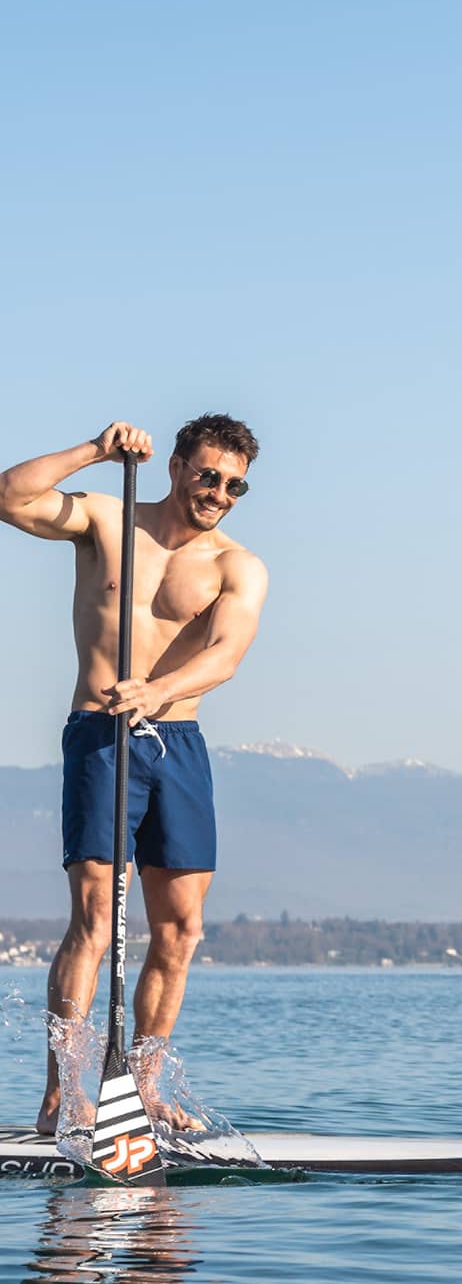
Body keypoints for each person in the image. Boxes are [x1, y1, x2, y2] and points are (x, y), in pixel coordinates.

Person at [0, 415, 268, 1135]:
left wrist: (156, 689)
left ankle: (144, 1089)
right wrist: (95, 451)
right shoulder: (108, 518)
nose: (219, 493)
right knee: (95, 920)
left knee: (179, 930)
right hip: (101, 736)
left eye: (234, 485)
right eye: (208, 475)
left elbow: (226, 655)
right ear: (177, 465)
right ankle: (63, 1092)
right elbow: (10, 496)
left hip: (176, 741)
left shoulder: (236, 566)